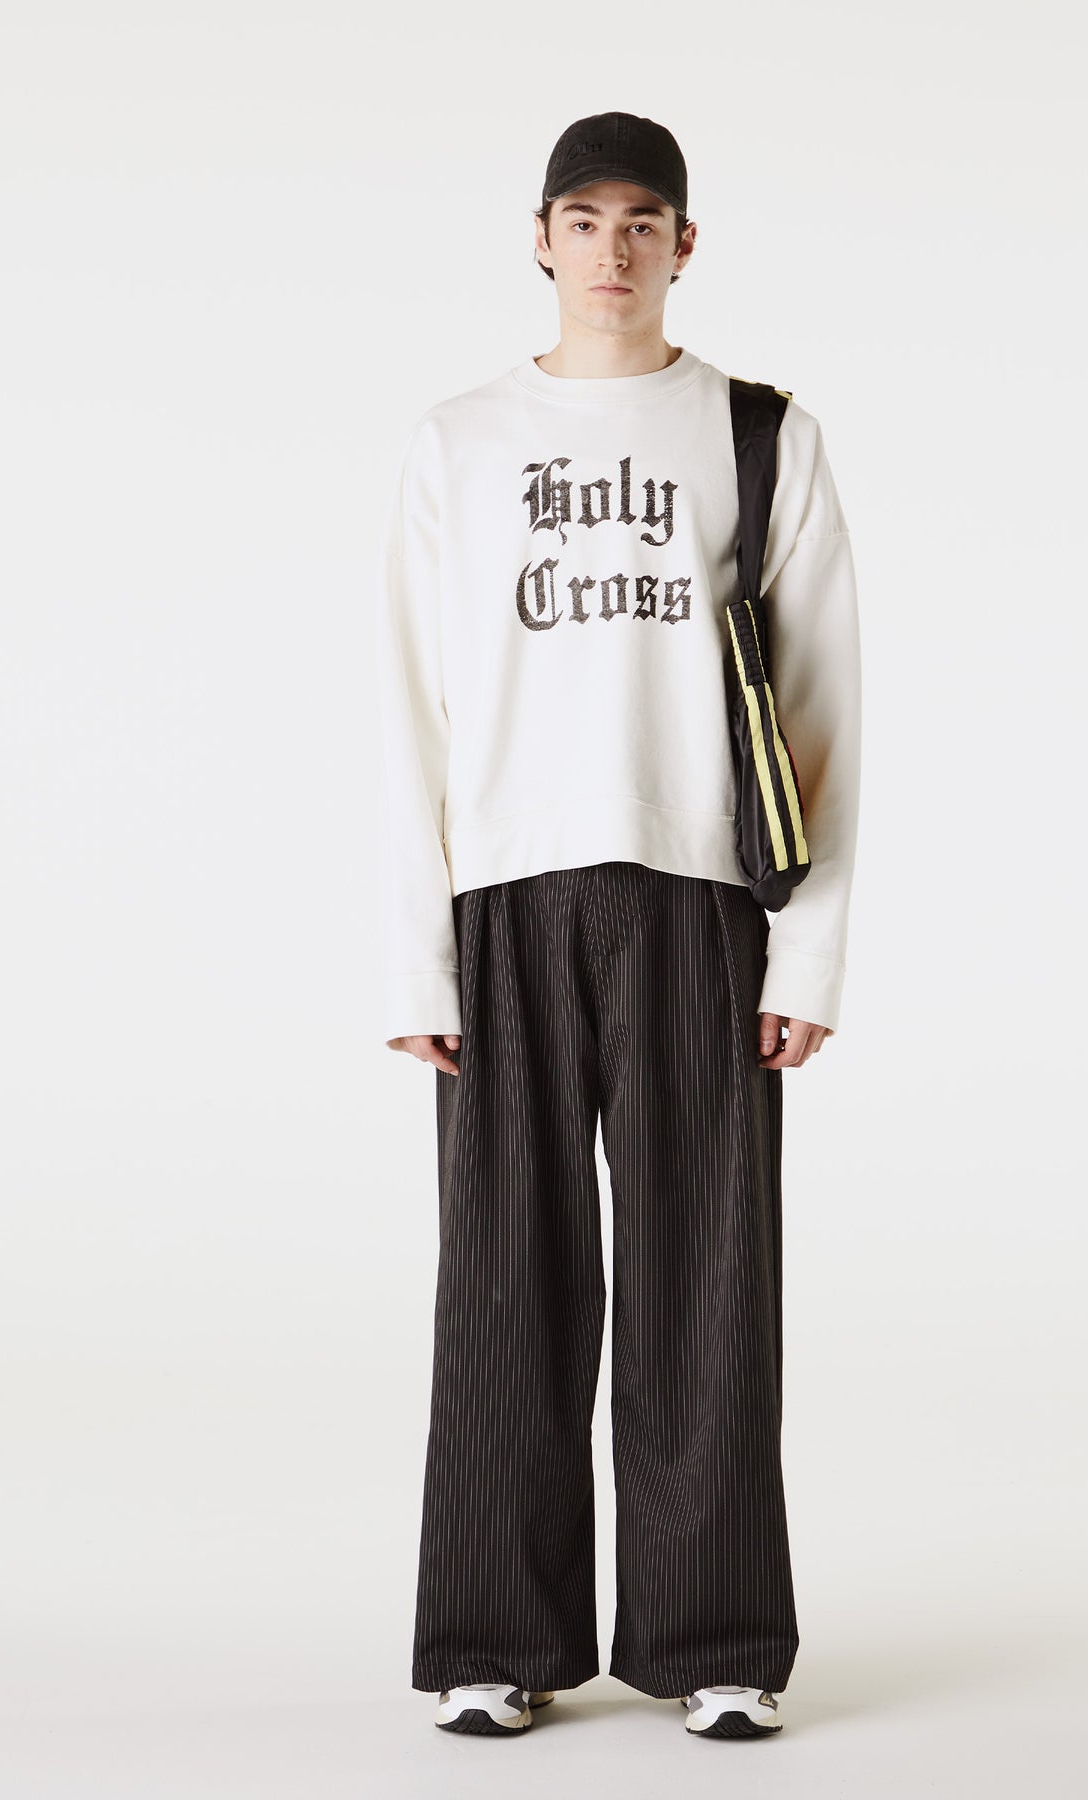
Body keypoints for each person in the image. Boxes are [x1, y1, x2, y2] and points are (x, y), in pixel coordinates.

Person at [373, 111, 862, 1740]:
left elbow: (820, 708)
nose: (612, 248)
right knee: (500, 1282)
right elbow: (411, 709)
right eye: (582, 219)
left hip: (700, 893)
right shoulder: (458, 442)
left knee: (705, 1279)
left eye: (642, 220)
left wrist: (808, 951)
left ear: (684, 245)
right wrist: (416, 952)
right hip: (505, 896)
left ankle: (715, 1637)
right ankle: (494, 1637)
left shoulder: (759, 434)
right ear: (539, 239)